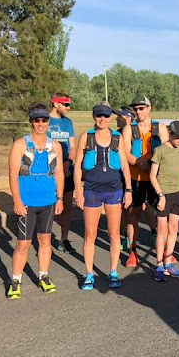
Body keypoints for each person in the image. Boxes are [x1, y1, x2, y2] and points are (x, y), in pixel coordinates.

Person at [7, 103, 64, 299]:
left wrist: (60, 198)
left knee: (45, 240)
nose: (41, 124)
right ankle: (16, 280)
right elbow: (13, 174)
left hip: (48, 201)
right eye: (37, 120)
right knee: (23, 243)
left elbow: (59, 173)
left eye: (44, 120)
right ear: (31, 121)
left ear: (48, 122)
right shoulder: (20, 145)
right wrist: (17, 200)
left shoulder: (55, 146)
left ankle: (43, 276)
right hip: (27, 202)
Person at [74, 105, 133, 290]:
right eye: (99, 116)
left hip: (114, 190)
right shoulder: (87, 136)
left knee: (114, 234)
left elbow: (124, 164)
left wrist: (128, 189)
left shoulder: (117, 137)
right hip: (92, 190)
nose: (102, 119)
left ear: (110, 118)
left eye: (106, 116)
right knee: (90, 234)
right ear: (93, 116)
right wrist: (78, 191)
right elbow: (77, 166)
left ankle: (113, 271)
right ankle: (89, 273)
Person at [150, 121, 179, 281]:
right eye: (178, 137)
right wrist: (160, 195)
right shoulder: (160, 150)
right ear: (170, 134)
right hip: (163, 194)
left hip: (178, 194)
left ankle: (168, 263)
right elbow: (153, 176)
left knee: (174, 229)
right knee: (162, 230)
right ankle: (159, 266)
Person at [122, 95, 158, 267]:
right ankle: (133, 251)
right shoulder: (129, 129)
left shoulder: (159, 128)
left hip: (154, 179)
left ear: (149, 108)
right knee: (134, 214)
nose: (138, 111)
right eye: (135, 109)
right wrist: (139, 163)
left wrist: (150, 163)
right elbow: (125, 152)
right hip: (135, 178)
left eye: (141, 108)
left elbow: (165, 150)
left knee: (158, 214)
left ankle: (164, 251)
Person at [48, 94, 76, 254]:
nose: (68, 108)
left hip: (66, 168)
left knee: (67, 204)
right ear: (55, 103)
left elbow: (73, 147)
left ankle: (64, 239)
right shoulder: (45, 120)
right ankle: (45, 240)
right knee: (48, 205)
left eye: (69, 104)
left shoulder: (68, 122)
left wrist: (68, 162)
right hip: (49, 169)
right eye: (65, 104)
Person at [113, 106, 136, 248]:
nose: (117, 118)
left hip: (133, 175)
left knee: (135, 208)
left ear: (128, 118)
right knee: (122, 208)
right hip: (118, 175)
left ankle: (152, 232)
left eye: (120, 116)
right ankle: (124, 235)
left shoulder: (134, 133)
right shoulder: (116, 133)